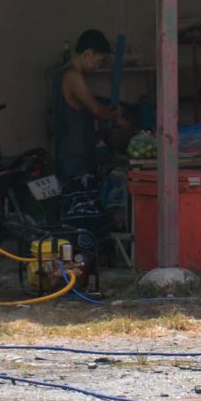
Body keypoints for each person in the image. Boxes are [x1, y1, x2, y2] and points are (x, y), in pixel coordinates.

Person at [52, 28, 126, 245]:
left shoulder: (61, 75)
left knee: (78, 215)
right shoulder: (72, 76)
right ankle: (81, 261)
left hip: (72, 154)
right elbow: (95, 109)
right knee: (81, 217)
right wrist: (116, 118)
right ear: (88, 54)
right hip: (75, 158)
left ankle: (81, 260)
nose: (96, 67)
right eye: (98, 62)